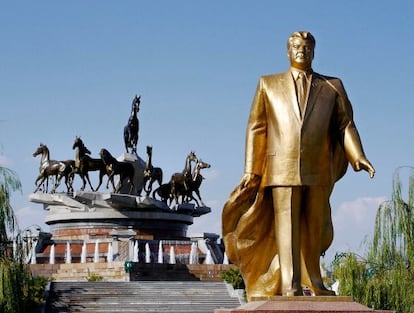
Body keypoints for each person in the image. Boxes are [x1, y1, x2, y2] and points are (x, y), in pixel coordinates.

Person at [222, 31, 375, 300]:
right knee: (287, 227)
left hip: (317, 170)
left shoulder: (332, 86)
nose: (301, 51)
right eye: (296, 47)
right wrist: (251, 169)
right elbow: (256, 127)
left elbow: (345, 124)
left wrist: (357, 155)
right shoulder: (267, 84)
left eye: (306, 47)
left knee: (313, 227)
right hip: (280, 169)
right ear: (287, 51)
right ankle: (289, 283)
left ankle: (315, 281)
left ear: (314, 52)